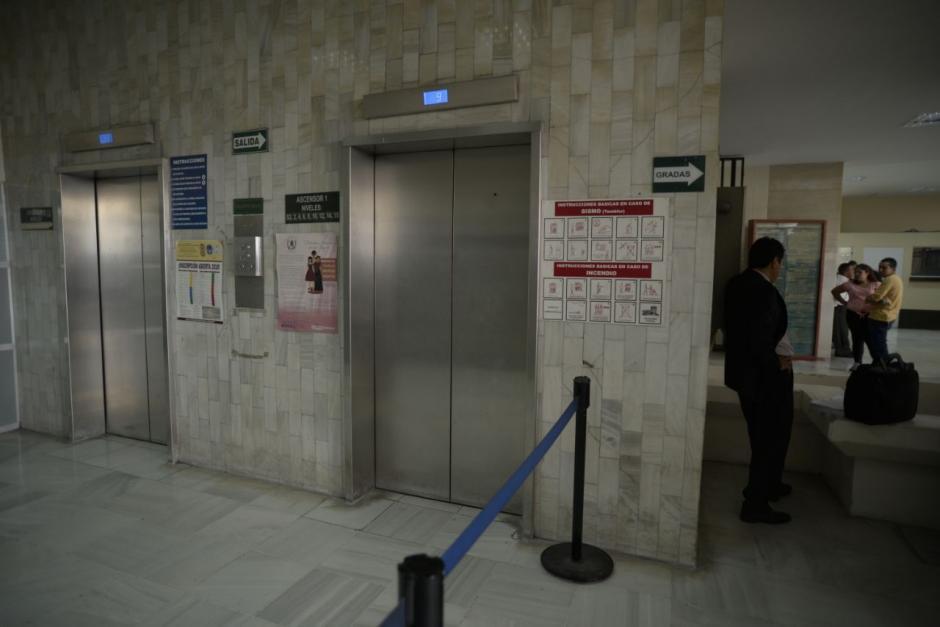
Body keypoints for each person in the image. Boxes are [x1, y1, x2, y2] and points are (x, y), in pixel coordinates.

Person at [723, 237, 794, 524]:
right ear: (774, 261)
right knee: (770, 438)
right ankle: (756, 502)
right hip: (766, 377)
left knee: (762, 435)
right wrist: (776, 363)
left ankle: (770, 485)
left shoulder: (736, 284)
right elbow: (758, 338)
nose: (780, 268)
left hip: (744, 376)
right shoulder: (763, 291)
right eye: (780, 263)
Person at [831, 263, 880, 370]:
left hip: (869, 315)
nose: (856, 274)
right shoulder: (850, 284)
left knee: (870, 338)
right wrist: (844, 302)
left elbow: (883, 296)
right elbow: (834, 291)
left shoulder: (875, 284)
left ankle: (877, 362)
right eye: (855, 272)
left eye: (859, 272)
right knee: (857, 338)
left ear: (867, 273)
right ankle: (857, 362)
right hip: (853, 315)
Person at [865, 257, 904, 363]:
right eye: (880, 267)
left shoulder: (889, 279)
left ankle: (882, 366)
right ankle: (882, 364)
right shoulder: (897, 278)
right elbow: (882, 299)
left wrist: (867, 298)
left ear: (893, 268)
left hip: (881, 316)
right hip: (888, 315)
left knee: (878, 345)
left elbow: (875, 297)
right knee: (880, 343)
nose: (880, 270)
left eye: (884, 268)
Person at [831, 262, 855, 358]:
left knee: (841, 329)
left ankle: (842, 349)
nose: (854, 272)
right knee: (841, 330)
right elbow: (838, 295)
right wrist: (845, 303)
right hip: (840, 307)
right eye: (852, 270)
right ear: (846, 271)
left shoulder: (840, 279)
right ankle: (842, 350)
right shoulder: (843, 281)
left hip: (840, 307)